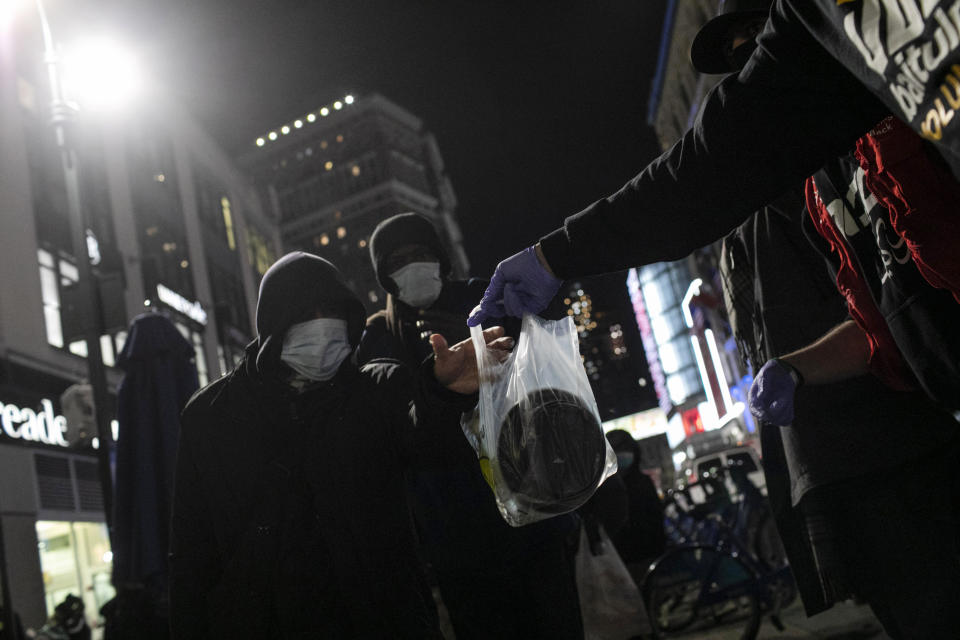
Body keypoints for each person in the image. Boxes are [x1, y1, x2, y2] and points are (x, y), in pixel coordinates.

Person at [700, 6, 960, 635]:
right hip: (833, 454)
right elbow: (858, 316)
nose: (746, 69)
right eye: (734, 61)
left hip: (899, 438)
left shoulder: (852, 135)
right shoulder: (767, 198)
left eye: (753, 46)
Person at [468, 1, 960, 330]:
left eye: (752, 33)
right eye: (734, 48)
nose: (744, 52)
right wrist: (556, 255)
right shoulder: (814, 28)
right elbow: (711, 166)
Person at [169, 251, 513, 639]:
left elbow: (428, 439)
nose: (322, 328)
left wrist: (442, 393)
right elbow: (192, 552)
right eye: (306, 314)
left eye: (332, 314)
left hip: (384, 620)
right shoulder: (211, 415)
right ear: (274, 323)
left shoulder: (376, 388)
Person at [357, 213, 584, 640]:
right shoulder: (380, 337)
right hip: (455, 533)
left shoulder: (486, 298)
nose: (412, 265)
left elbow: (543, 369)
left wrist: (480, 335)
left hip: (531, 508)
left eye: (421, 253)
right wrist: (433, 379)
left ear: (441, 259)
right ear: (384, 277)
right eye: (397, 261)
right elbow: (392, 428)